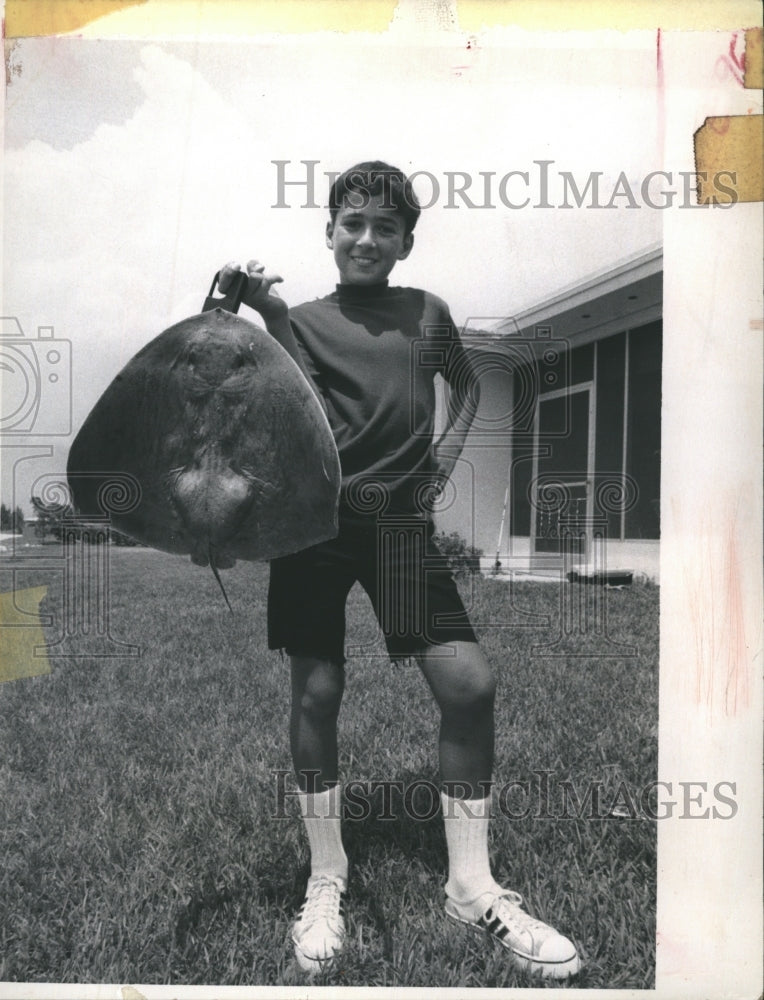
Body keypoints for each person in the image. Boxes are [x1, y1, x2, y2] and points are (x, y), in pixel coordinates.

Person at [218, 162, 580, 981]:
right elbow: (258, 375)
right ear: (329, 230)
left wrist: (445, 455)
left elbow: (464, 385)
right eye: (352, 223)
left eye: (386, 228)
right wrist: (256, 300)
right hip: (314, 523)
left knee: (469, 684)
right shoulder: (299, 318)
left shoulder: (428, 314)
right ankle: (326, 875)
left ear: (407, 241)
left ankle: (470, 883)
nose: (367, 239)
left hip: (398, 525)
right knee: (315, 691)